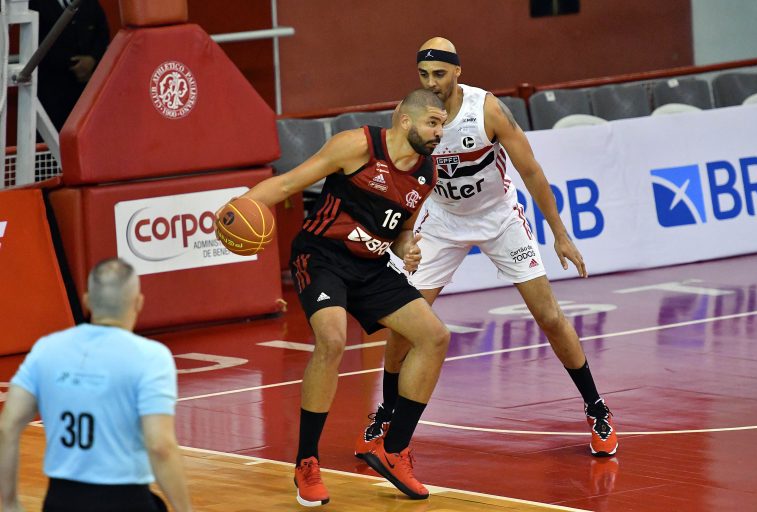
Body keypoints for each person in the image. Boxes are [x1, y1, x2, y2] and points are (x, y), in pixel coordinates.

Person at [354, 37, 618, 460]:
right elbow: (400, 177)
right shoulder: (411, 113)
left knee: (549, 316)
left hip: (499, 218)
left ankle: (596, 407)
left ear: (458, 71)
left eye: (439, 74)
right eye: (423, 74)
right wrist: (401, 235)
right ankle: (386, 412)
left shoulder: (487, 110)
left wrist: (560, 233)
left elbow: (531, 171)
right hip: (441, 221)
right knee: (404, 325)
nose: (431, 82)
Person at [223, 89, 449, 506]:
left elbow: (402, 229)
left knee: (434, 336)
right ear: (406, 121)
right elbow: (288, 182)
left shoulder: (427, 173)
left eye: (442, 124)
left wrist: (406, 248)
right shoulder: (357, 146)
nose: (439, 132)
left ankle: (394, 450)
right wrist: (243, 204)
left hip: (371, 267)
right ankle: (307, 461)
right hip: (322, 256)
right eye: (433, 123)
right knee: (332, 339)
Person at [0, 258, 193, 512]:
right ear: (138, 303)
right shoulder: (151, 356)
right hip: (125, 501)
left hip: (60, 501)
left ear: (87, 301)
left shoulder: (46, 349)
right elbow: (160, 446)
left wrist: (8, 503)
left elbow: (6, 427)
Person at [29, 0, 110, 130]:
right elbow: (33, 41)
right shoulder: (35, 4)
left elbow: (102, 32)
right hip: (51, 91)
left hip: (87, 88)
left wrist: (92, 59)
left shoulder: (88, 2)